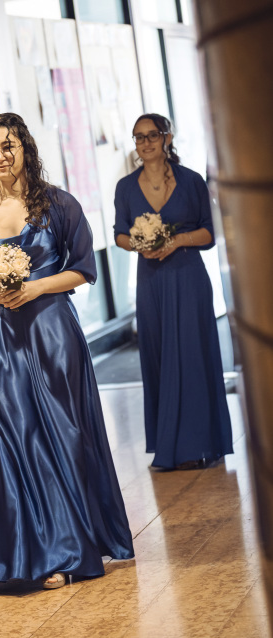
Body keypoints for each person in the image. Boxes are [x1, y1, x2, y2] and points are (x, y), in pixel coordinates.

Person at [0, 112, 134, 589]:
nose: (0, 156)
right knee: (14, 434)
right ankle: (22, 557)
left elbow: (83, 268)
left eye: (8, 146)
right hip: (1, 336)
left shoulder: (59, 204)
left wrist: (35, 288)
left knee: (63, 432)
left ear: (26, 149)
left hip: (51, 330)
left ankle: (70, 549)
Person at [114, 113, 233, 470]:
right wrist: (140, 243)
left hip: (188, 278)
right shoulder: (125, 187)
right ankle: (167, 445)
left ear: (167, 138)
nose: (145, 143)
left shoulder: (192, 181)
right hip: (151, 281)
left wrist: (177, 240)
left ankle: (201, 444)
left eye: (152, 135)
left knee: (194, 354)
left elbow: (210, 233)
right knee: (158, 356)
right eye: (139, 137)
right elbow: (119, 235)